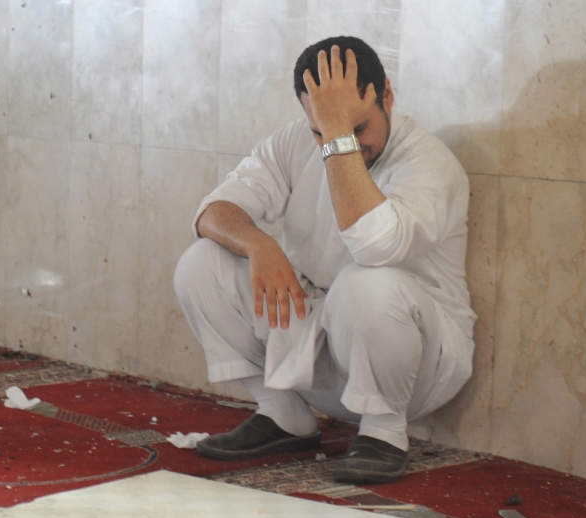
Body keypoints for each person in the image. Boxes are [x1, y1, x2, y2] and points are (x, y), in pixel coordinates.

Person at [173, 36, 476, 484]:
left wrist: (336, 136)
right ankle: (283, 414)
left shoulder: (430, 163)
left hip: (417, 370)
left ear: (387, 95)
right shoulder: (296, 141)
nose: (340, 141)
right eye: (320, 131)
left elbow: (373, 248)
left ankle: (384, 433)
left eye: (358, 127)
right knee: (200, 264)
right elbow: (212, 212)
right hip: (320, 359)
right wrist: (259, 244)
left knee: (366, 281)